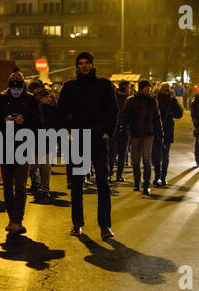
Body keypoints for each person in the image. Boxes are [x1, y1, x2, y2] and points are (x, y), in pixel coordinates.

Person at [57, 52, 116, 240]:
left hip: (98, 139)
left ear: (92, 64)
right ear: (77, 66)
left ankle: (105, 226)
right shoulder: (69, 86)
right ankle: (77, 223)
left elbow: (113, 110)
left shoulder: (103, 85)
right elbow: (60, 113)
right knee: (76, 184)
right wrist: (66, 133)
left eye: (87, 63)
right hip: (77, 139)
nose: (84, 66)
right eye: (81, 63)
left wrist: (108, 132)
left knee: (103, 183)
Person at [0, 71, 41, 235]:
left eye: (19, 88)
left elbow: (39, 123)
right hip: (5, 147)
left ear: (23, 87)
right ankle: (11, 218)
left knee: (21, 187)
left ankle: (18, 220)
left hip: (23, 147)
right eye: (13, 88)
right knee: (8, 187)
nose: (16, 91)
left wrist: (25, 122)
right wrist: (3, 121)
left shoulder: (31, 100)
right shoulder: (1, 100)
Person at [116, 80, 163, 196]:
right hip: (135, 133)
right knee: (136, 160)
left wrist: (159, 133)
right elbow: (124, 117)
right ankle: (137, 182)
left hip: (148, 133)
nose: (149, 90)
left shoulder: (152, 101)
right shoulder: (131, 101)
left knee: (146, 160)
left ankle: (146, 184)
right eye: (147, 88)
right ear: (142, 88)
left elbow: (157, 118)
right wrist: (122, 130)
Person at [152, 82, 183, 186]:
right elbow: (179, 114)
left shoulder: (155, 99)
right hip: (167, 130)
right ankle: (163, 177)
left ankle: (157, 177)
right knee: (165, 155)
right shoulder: (171, 100)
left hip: (157, 130)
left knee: (157, 155)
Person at [31, 89, 58, 200]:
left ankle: (45, 189)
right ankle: (34, 185)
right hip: (35, 142)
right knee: (32, 166)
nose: (48, 99)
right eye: (45, 97)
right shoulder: (33, 110)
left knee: (46, 167)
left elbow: (56, 124)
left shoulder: (53, 110)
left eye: (49, 97)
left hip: (48, 141)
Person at [112, 80, 132, 182]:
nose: (130, 90)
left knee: (122, 153)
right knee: (112, 152)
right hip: (114, 129)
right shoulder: (115, 98)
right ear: (124, 88)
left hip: (125, 130)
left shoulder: (130, 99)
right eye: (129, 87)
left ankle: (119, 175)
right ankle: (111, 174)